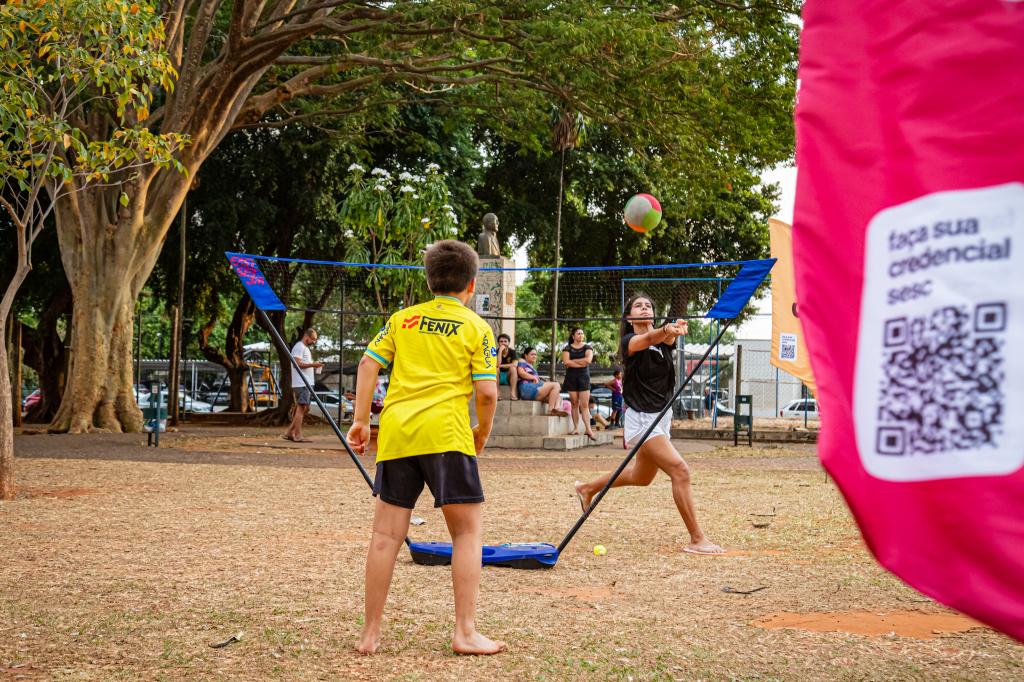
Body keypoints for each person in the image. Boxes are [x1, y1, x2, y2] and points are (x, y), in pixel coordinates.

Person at [346, 240, 505, 656]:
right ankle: (465, 632)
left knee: (385, 535)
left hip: (398, 432)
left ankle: (369, 634)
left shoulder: (403, 319)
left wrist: (361, 420)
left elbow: (368, 363)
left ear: (428, 280)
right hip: (447, 434)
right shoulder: (476, 327)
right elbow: (487, 392)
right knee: (466, 532)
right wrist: (482, 433)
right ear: (472, 284)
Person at [574, 294, 724, 556]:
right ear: (629, 317)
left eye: (648, 306)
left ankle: (587, 488)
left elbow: (666, 339)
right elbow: (649, 339)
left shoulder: (663, 342)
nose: (644, 308)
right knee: (680, 471)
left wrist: (674, 329)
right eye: (638, 306)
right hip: (643, 419)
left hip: (661, 417)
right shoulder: (630, 342)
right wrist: (667, 329)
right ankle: (697, 539)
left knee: (641, 477)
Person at [283, 328, 323, 443]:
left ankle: (289, 432)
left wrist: (314, 365)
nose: (314, 342)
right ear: (306, 336)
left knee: (304, 408)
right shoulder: (299, 347)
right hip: (302, 383)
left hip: (306, 383)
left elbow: (304, 364)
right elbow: (297, 364)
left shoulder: (305, 348)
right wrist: (313, 364)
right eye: (313, 339)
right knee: (301, 408)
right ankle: (297, 435)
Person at [562, 327, 596, 439]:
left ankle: (588, 429)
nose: (581, 335)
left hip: (584, 377)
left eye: (582, 333)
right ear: (573, 336)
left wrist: (573, 362)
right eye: (578, 333)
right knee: (574, 403)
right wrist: (581, 362)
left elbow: (588, 361)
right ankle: (576, 428)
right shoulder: (567, 348)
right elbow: (566, 362)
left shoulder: (588, 347)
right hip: (571, 377)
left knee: (584, 405)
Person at [516, 348, 568, 416]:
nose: (534, 356)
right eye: (532, 354)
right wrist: (533, 377)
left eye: (535, 355)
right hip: (527, 388)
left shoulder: (532, 367)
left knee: (558, 397)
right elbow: (521, 372)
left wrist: (539, 380)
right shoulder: (522, 361)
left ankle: (556, 409)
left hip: (535, 390)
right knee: (556, 385)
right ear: (525, 355)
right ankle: (551, 410)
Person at [496, 333, 518, 399]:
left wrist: (500, 366)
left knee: (513, 369)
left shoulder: (512, 352)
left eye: (505, 341)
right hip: (498, 376)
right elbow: (497, 364)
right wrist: (500, 351)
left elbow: (515, 364)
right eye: (501, 341)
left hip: (509, 377)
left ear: (508, 343)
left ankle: (513, 393)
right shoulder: (495, 352)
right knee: (496, 369)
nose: (503, 343)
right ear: (498, 343)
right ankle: (497, 393)